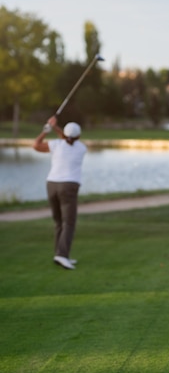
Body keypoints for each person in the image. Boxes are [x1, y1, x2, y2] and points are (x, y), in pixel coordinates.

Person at [33, 116, 87, 270]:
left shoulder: (56, 145)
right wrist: (56, 128)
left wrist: (46, 130)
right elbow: (67, 137)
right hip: (68, 186)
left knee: (58, 222)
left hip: (51, 185)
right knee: (69, 223)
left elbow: (36, 145)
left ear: (63, 134)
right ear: (79, 136)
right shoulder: (81, 148)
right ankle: (62, 255)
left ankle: (60, 254)